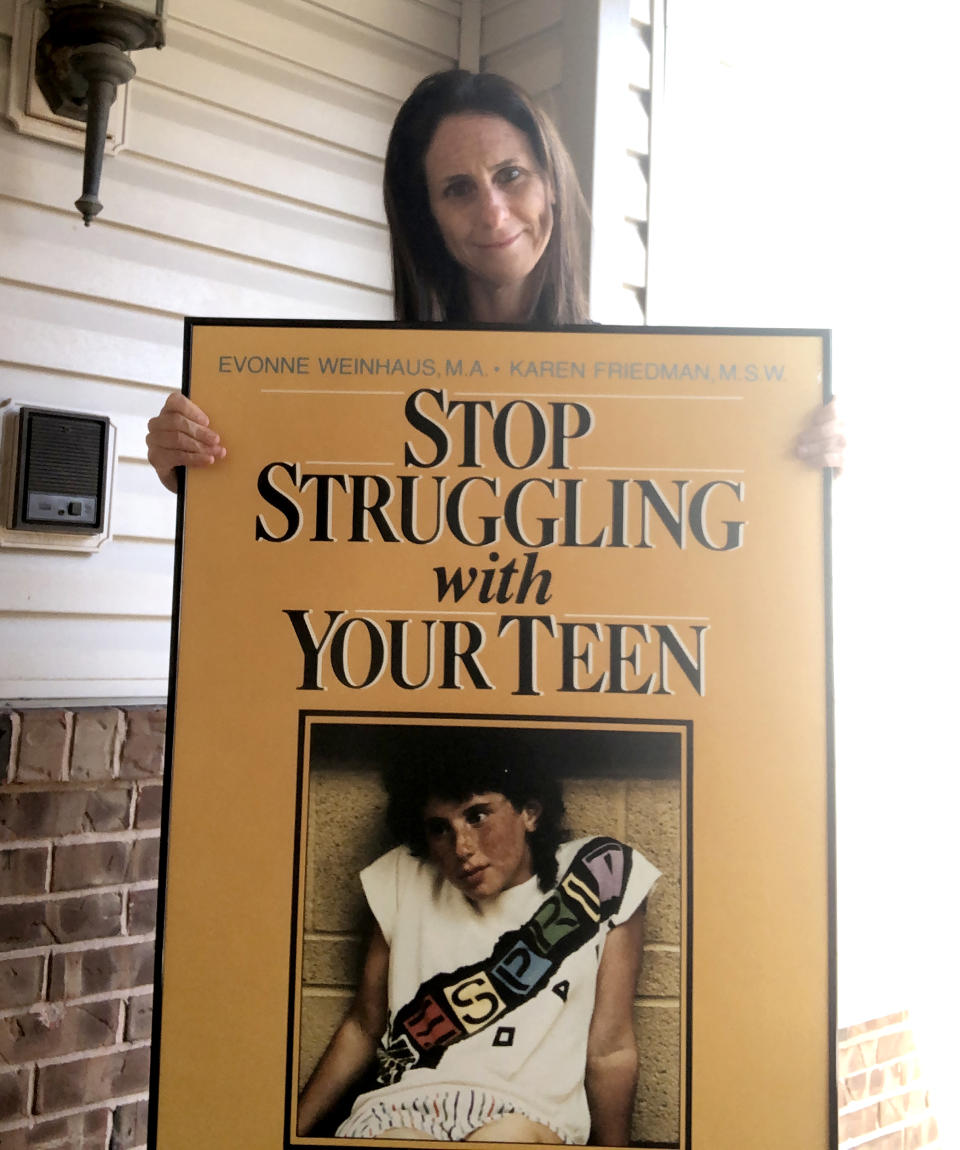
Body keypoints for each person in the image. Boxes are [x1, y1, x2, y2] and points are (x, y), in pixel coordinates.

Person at [145, 69, 845, 489]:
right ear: (430, 219)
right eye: (457, 188)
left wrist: (802, 456)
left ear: (551, 184)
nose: (493, 211)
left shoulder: (639, 391)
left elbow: (728, 520)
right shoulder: (366, 396)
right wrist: (199, 468)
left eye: (511, 175)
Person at [297, 747, 660, 1144]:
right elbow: (364, 1026)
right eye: (440, 828)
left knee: (508, 1137)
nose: (462, 848)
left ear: (530, 812)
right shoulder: (403, 875)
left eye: (477, 816)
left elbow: (610, 1049)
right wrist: (282, 1132)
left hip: (529, 1115)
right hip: (397, 1109)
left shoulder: (598, 875)